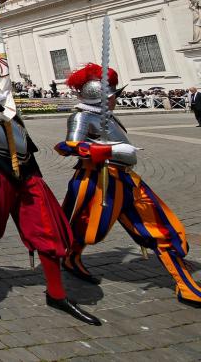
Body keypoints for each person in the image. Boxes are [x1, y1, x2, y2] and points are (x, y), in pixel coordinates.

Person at [0, 77, 100, 326]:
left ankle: (56, 293)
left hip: (26, 174)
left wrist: (35, 177)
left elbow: (25, 144)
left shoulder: (10, 110)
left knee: (47, 230)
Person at [55, 64, 201, 307]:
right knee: (86, 227)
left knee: (159, 228)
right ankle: (71, 258)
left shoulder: (108, 116)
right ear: (99, 97)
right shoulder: (81, 116)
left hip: (125, 178)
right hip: (98, 180)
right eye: (112, 96)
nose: (115, 100)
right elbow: (66, 146)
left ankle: (185, 285)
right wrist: (107, 149)